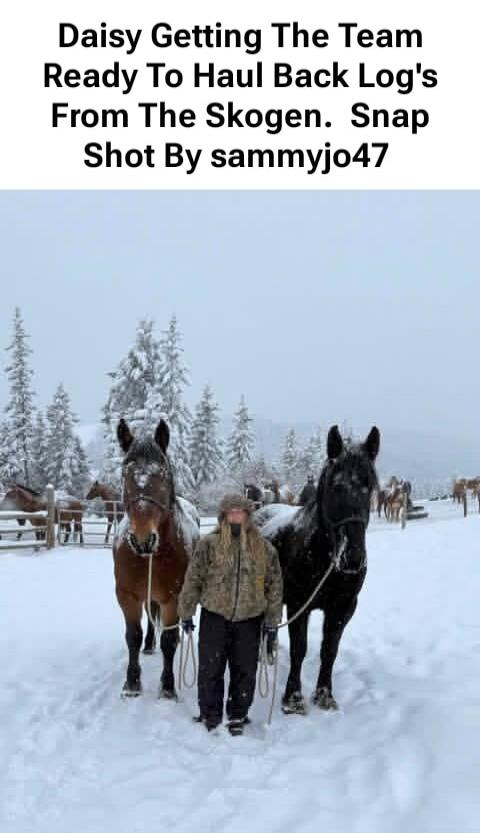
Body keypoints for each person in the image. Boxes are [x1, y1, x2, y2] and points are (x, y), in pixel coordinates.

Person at [178, 493, 283, 736]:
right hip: (215, 615)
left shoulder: (263, 548)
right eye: (231, 511)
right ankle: (210, 713)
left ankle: (238, 713)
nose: (236, 515)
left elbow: (275, 584)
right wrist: (186, 611)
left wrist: (272, 620)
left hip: (249, 618)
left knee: (244, 669)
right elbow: (193, 579)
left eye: (241, 511)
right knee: (210, 668)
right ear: (223, 516)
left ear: (248, 515)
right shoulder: (209, 545)